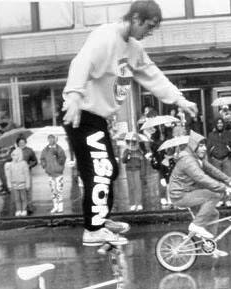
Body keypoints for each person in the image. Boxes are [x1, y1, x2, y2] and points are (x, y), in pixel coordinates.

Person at [62, 0, 198, 246]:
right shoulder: (105, 36)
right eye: (149, 26)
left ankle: (100, 219)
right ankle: (93, 229)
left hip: (98, 118)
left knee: (109, 168)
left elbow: (152, 75)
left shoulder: (134, 49)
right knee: (101, 169)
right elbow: (80, 63)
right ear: (135, 18)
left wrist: (179, 100)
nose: (150, 32)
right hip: (81, 114)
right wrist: (73, 96)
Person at [168, 131, 231, 257]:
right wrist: (224, 188)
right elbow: (202, 178)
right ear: (193, 146)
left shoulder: (197, 158)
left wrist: (229, 180)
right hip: (180, 195)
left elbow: (211, 169)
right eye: (201, 145)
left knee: (214, 213)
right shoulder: (188, 161)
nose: (204, 148)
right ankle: (196, 225)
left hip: (188, 191)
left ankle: (210, 247)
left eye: (204, 145)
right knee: (214, 195)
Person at [40, 134, 67, 214]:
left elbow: (63, 159)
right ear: (48, 140)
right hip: (50, 174)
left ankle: (60, 207)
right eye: (50, 139)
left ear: (55, 140)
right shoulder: (45, 150)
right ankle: (55, 206)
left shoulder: (59, 149)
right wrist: (45, 166)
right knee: (53, 191)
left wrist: (58, 157)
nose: (51, 141)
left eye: (52, 139)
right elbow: (42, 159)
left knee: (59, 190)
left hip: (58, 173)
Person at [121, 132, 146, 211]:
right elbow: (123, 161)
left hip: (137, 170)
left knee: (138, 187)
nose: (131, 143)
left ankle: (139, 203)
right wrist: (127, 155)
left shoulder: (139, 151)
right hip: (129, 170)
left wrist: (143, 173)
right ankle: (132, 203)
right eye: (129, 141)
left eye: (133, 141)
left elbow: (142, 163)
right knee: (131, 187)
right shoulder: (126, 151)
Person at [4, 148, 30, 216]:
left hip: (23, 183)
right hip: (14, 184)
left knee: (23, 198)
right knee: (17, 199)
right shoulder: (10, 164)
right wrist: (9, 185)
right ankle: (18, 210)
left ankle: (24, 210)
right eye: (13, 155)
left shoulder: (24, 163)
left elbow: (27, 175)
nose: (14, 157)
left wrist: (28, 184)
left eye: (15, 155)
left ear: (19, 155)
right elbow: (8, 176)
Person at [16, 136, 38, 214]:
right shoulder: (14, 151)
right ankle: (21, 208)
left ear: (25, 142)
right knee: (19, 191)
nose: (22, 144)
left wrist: (29, 165)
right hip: (17, 174)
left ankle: (29, 206)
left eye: (23, 142)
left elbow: (35, 161)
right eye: (20, 142)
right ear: (17, 143)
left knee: (28, 189)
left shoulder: (29, 151)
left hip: (27, 173)